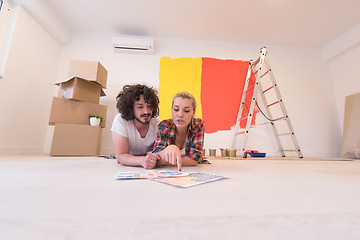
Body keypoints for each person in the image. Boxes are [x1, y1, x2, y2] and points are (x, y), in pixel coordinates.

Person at [111, 84, 161, 169]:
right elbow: (121, 156)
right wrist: (142, 160)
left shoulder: (158, 123)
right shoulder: (120, 120)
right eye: (140, 107)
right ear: (130, 108)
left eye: (149, 106)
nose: (146, 111)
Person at [153, 91, 205, 171]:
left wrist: (163, 161)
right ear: (172, 110)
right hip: (167, 172)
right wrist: (170, 148)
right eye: (176, 109)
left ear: (193, 113)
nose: (180, 114)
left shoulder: (198, 124)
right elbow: (156, 155)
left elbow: (195, 159)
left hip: (191, 171)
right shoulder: (164, 125)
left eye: (186, 111)